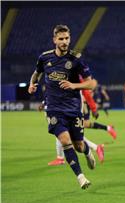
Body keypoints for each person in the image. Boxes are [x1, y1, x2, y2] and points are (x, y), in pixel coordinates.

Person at [28, 24, 97, 189]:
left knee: (78, 145)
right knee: (65, 140)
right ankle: (81, 177)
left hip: (73, 109)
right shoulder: (44, 58)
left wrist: (74, 86)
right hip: (53, 109)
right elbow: (37, 73)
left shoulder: (76, 58)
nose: (65, 42)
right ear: (54, 40)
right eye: (61, 39)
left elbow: (92, 83)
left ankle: (87, 152)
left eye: (67, 38)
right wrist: (32, 84)